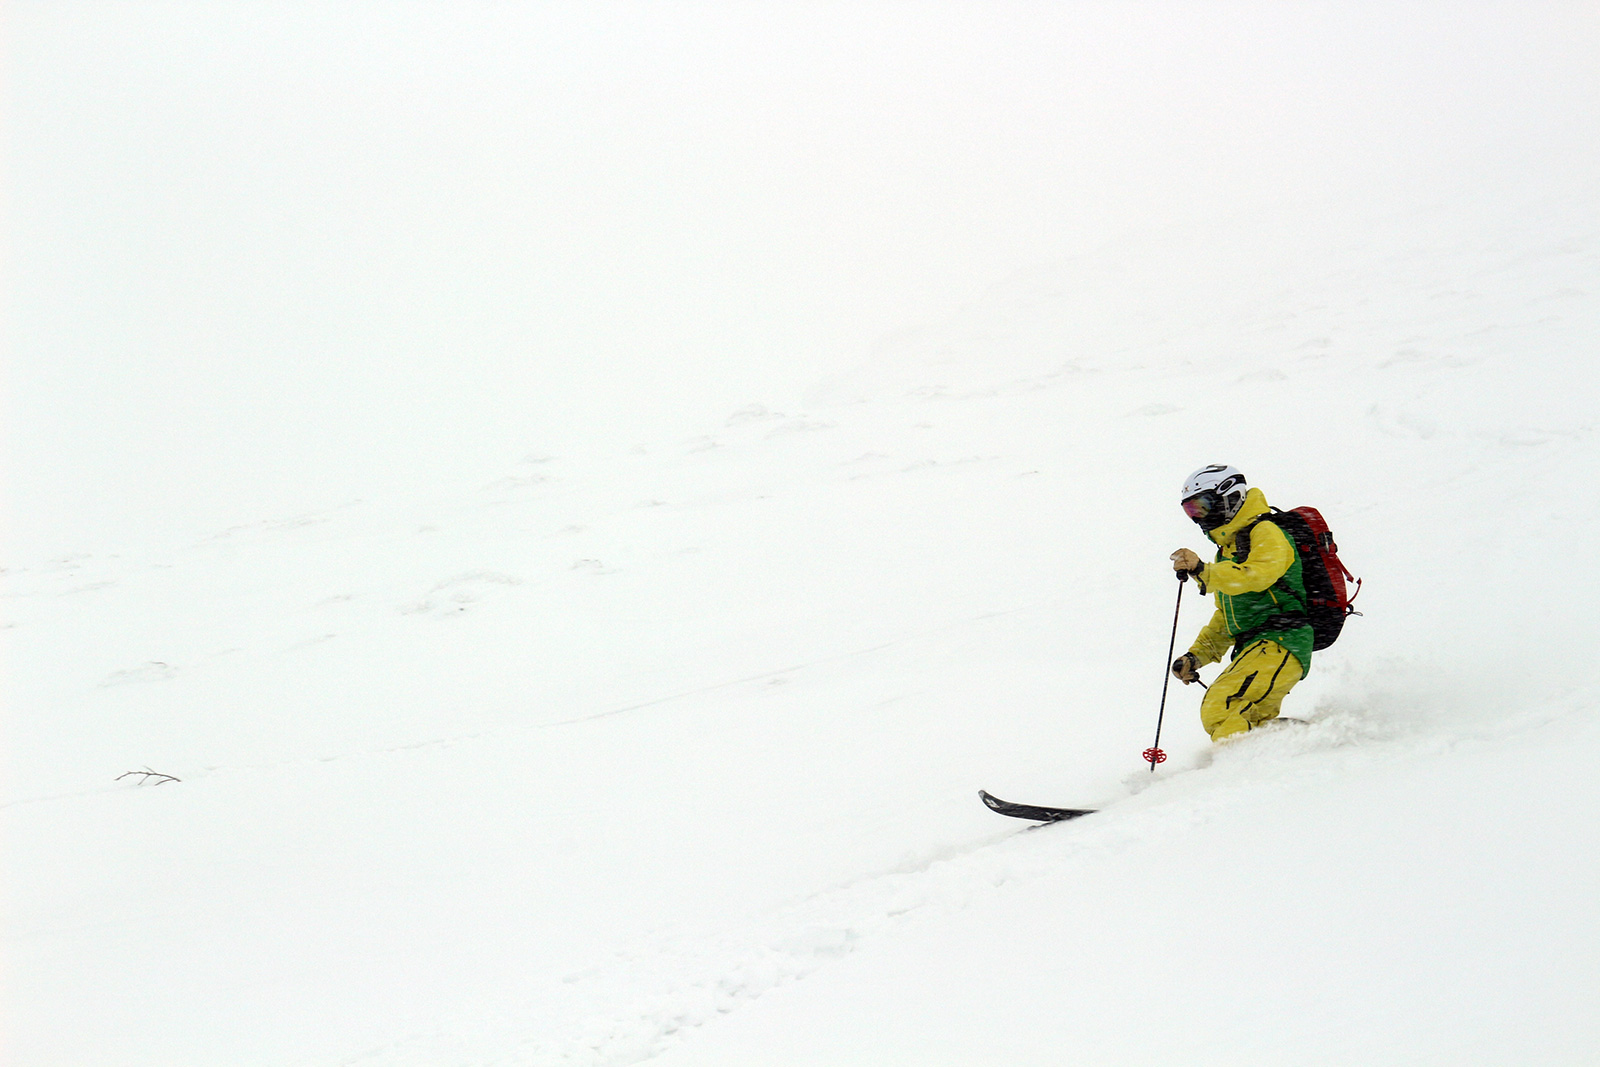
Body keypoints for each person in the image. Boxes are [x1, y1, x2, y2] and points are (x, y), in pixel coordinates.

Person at [1168, 465, 1312, 741]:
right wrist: (1196, 656)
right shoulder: (1227, 552)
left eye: (1203, 506)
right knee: (1243, 716)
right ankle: (1284, 754)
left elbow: (1256, 575)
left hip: (1282, 639)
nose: (1198, 518)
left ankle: (1239, 762)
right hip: (1258, 647)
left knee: (1220, 706)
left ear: (1230, 497)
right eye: (1191, 511)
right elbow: (1228, 618)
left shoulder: (1266, 532)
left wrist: (1203, 571)